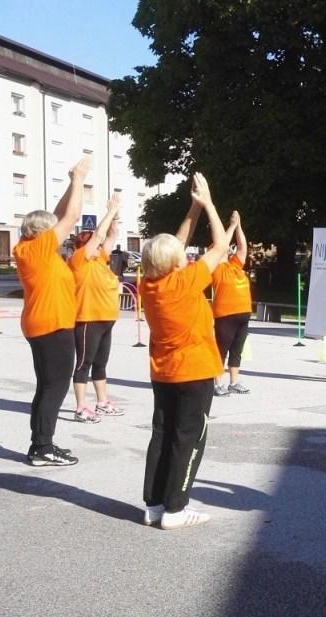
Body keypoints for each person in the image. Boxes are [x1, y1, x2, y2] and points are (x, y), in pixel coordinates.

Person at [140, 173, 237, 529]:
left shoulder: (149, 284)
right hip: (193, 372)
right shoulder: (185, 280)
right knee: (189, 439)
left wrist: (192, 210)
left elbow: (173, 246)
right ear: (176, 262)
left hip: (163, 372)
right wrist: (209, 203)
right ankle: (176, 509)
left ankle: (153, 504)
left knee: (162, 435)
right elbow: (220, 248)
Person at [12, 156, 92, 467]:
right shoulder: (40, 248)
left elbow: (59, 214)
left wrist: (71, 179)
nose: (60, 232)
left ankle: (41, 445)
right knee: (55, 387)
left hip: (43, 323)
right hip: (52, 325)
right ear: (44, 232)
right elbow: (70, 216)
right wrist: (79, 180)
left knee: (47, 386)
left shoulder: (30, 247)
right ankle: (42, 448)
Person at [69, 192, 124, 423]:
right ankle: (81, 407)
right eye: (92, 240)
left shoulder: (101, 259)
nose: (98, 243)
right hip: (88, 319)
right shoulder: (79, 260)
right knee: (84, 364)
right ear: (82, 245)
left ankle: (102, 402)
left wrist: (115, 214)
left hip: (106, 319)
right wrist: (109, 211)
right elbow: (100, 235)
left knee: (101, 363)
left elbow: (110, 234)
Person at [210, 211, 253, 396]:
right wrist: (231, 226)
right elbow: (221, 246)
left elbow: (243, 247)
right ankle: (216, 382)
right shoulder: (216, 267)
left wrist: (239, 225)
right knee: (221, 350)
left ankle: (234, 382)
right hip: (225, 315)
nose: (227, 250)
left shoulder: (235, 265)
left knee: (237, 350)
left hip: (243, 314)